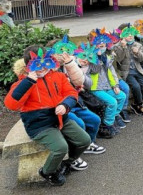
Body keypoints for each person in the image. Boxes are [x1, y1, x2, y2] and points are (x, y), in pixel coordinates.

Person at [4, 46, 91, 186]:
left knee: (84, 140)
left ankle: (65, 163)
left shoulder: (59, 76)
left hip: (61, 119)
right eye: (37, 64)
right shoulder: (23, 82)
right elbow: (11, 104)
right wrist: (28, 82)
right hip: (39, 124)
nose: (42, 68)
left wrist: (65, 105)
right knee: (61, 147)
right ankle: (47, 172)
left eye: (46, 63)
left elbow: (71, 93)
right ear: (28, 66)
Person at [48, 37, 105, 154]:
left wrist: (72, 67)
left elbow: (88, 84)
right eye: (59, 51)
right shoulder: (48, 69)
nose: (63, 54)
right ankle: (75, 153)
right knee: (79, 124)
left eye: (67, 50)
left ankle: (89, 143)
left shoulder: (72, 63)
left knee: (95, 120)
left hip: (76, 102)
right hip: (61, 107)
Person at [113, 26, 143, 114]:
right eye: (127, 34)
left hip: (137, 70)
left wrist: (137, 52)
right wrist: (124, 48)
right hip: (126, 72)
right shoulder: (118, 46)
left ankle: (136, 104)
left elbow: (142, 58)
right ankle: (140, 105)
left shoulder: (137, 44)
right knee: (136, 86)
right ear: (122, 36)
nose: (130, 36)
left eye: (131, 34)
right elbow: (119, 60)